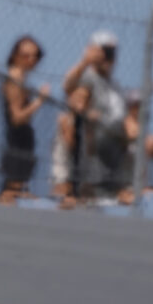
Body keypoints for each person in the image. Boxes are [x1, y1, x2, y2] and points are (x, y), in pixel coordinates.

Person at [63, 30, 132, 199]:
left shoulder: (116, 87)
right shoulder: (88, 77)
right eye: (105, 52)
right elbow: (68, 88)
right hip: (90, 160)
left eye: (112, 53)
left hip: (114, 162)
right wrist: (86, 61)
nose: (108, 58)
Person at [0, 36, 51, 205]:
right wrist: (39, 101)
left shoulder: (22, 79)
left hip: (23, 146)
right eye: (25, 56)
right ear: (15, 56)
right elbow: (17, 118)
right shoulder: (15, 79)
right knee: (10, 194)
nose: (31, 60)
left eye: (35, 56)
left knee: (17, 193)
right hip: (16, 146)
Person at [51, 86, 90, 209]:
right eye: (78, 97)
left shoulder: (83, 123)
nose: (81, 101)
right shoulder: (65, 118)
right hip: (62, 171)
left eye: (84, 99)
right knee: (63, 201)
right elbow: (70, 144)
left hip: (75, 173)